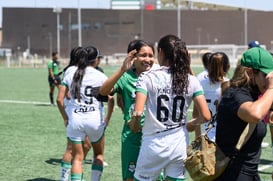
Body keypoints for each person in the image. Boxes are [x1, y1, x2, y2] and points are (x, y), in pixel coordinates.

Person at [128, 34, 211, 181]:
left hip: (153, 145)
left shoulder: (147, 77)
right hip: (179, 145)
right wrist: (191, 124)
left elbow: (138, 112)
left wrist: (134, 125)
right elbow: (206, 116)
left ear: (160, 52)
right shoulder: (192, 80)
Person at [99, 40, 157, 181]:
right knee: (130, 178)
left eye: (151, 55)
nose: (148, 59)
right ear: (133, 57)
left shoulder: (159, 76)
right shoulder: (125, 77)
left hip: (155, 136)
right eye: (143, 55)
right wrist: (122, 70)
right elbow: (103, 91)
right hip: (132, 136)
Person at [215, 47, 273, 181]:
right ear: (250, 73)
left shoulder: (256, 94)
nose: (269, 80)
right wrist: (271, 88)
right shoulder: (235, 94)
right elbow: (255, 114)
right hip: (231, 173)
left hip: (249, 173)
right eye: (266, 76)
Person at [58, 46, 110, 181]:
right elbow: (111, 97)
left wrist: (66, 115)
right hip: (94, 119)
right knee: (98, 154)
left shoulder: (70, 72)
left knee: (76, 156)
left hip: (74, 117)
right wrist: (108, 118)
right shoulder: (100, 75)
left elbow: (61, 98)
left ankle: (64, 178)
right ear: (96, 59)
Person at [192, 52, 230, 141]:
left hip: (206, 135)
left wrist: (198, 139)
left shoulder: (200, 84)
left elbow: (196, 115)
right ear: (227, 67)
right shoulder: (230, 85)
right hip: (225, 136)